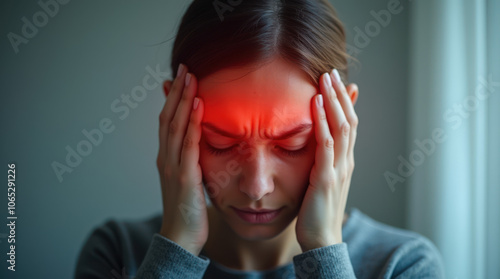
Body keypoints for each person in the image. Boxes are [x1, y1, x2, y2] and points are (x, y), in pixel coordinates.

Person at [75, 0, 445, 278]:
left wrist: (324, 251)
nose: (256, 186)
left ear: (343, 123)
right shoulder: (118, 254)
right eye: (220, 142)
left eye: (291, 145)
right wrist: (175, 250)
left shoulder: (403, 264)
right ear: (175, 120)